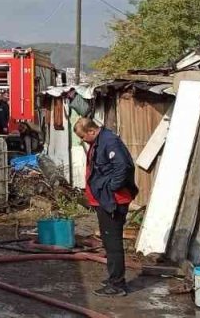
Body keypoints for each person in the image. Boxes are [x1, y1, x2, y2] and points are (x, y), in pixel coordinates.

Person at [76, 117, 138, 297]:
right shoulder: (99, 141)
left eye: (83, 136)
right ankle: (114, 278)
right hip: (105, 200)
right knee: (108, 240)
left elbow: (123, 167)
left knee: (113, 242)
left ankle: (117, 284)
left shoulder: (109, 141)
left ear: (91, 131)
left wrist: (110, 188)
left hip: (113, 201)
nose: (83, 140)